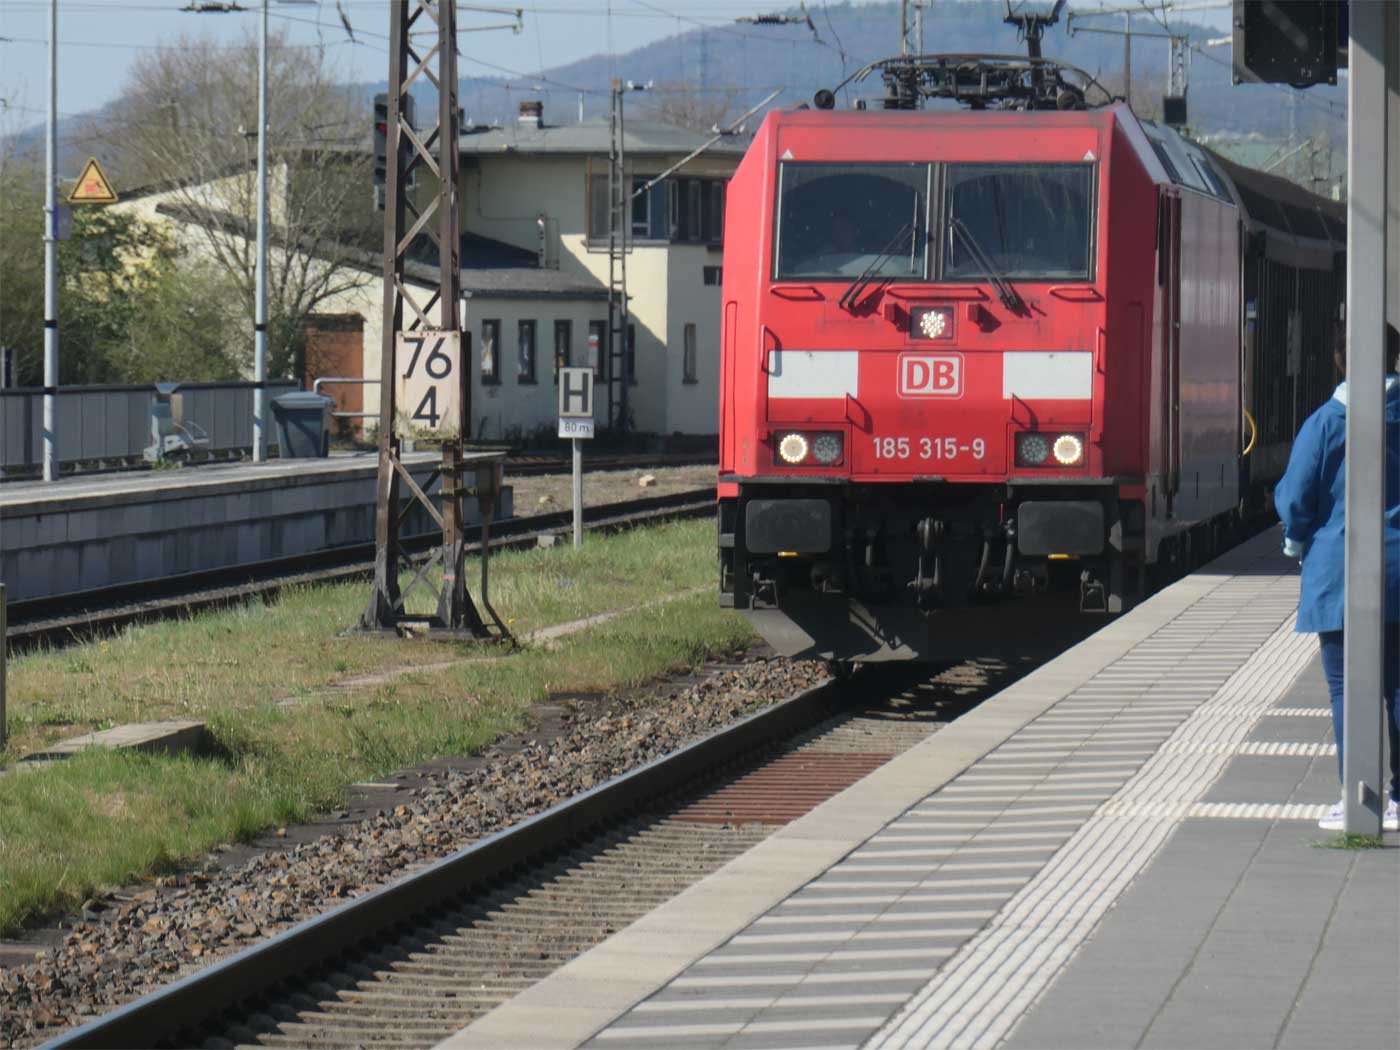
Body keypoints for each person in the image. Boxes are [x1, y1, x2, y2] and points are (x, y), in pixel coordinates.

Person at [1275, 323, 1400, 831]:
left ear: (1339, 359)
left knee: (1347, 688)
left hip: (1339, 573)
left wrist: (1295, 539)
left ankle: (1357, 797)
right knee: (1399, 687)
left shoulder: (1326, 422)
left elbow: (1296, 495)